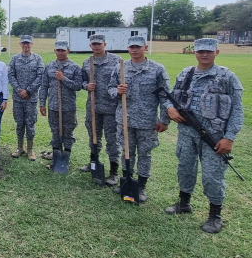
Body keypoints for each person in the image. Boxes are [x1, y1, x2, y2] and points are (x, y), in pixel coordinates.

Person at [164, 38, 244, 234]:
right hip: (186, 133)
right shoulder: (186, 74)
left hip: (214, 136)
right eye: (200, 51)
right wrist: (170, 110)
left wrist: (230, 137)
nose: (204, 54)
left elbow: (238, 110)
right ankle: (184, 203)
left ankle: (215, 215)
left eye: (209, 51)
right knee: (185, 169)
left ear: (217, 52)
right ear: (195, 53)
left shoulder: (227, 77)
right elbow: (171, 97)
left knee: (212, 176)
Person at [108, 36, 173, 202]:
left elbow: (165, 96)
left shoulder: (157, 69)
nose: (134, 50)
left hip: (147, 121)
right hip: (125, 119)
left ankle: (141, 186)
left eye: (138, 47)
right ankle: (127, 181)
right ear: (128, 48)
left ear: (145, 47)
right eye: (131, 47)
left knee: (144, 154)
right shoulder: (121, 68)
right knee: (126, 152)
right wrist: (117, 91)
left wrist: (165, 120)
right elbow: (110, 89)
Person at [80, 34, 122, 186]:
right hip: (93, 107)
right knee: (93, 137)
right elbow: (82, 80)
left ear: (105, 44)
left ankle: (114, 172)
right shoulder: (87, 62)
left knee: (113, 140)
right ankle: (93, 163)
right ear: (90, 46)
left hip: (111, 107)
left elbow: (122, 80)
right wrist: (86, 86)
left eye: (99, 44)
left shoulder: (116, 61)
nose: (96, 46)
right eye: (94, 44)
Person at [39, 41, 82, 163]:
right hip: (53, 106)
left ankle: (65, 158)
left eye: (63, 50)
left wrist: (64, 79)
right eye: (58, 50)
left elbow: (78, 86)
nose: (60, 52)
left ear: (68, 50)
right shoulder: (49, 66)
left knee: (68, 132)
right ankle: (57, 159)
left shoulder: (74, 67)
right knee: (55, 132)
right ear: (54, 51)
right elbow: (44, 86)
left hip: (68, 107)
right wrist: (42, 103)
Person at [8, 35, 44, 161]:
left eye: (28, 43)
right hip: (18, 98)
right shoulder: (15, 58)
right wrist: (19, 90)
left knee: (30, 123)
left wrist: (28, 90)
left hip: (31, 98)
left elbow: (40, 77)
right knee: (19, 123)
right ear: (20, 44)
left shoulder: (38, 59)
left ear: (32, 44)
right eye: (24, 43)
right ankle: (19, 147)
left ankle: (30, 149)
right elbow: (11, 75)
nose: (26, 45)